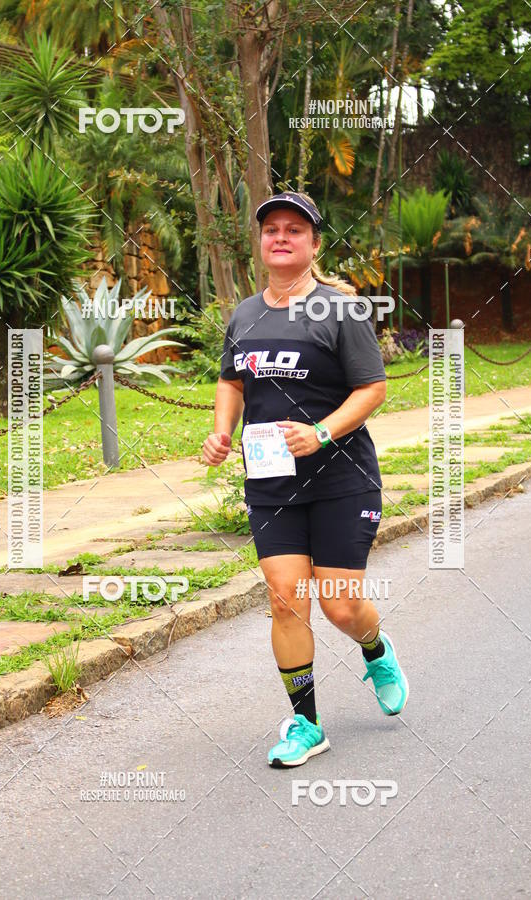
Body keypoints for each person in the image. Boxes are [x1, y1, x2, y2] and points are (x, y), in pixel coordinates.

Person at [202, 190, 409, 768]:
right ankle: (305, 722)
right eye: (271, 230)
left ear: (314, 245)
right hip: (272, 483)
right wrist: (222, 432)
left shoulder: (341, 310)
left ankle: (375, 648)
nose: (281, 237)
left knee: (341, 605)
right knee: (286, 601)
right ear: (261, 244)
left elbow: (372, 388)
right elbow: (233, 382)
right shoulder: (244, 314)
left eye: (295, 230)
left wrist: (321, 432)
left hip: (342, 479)